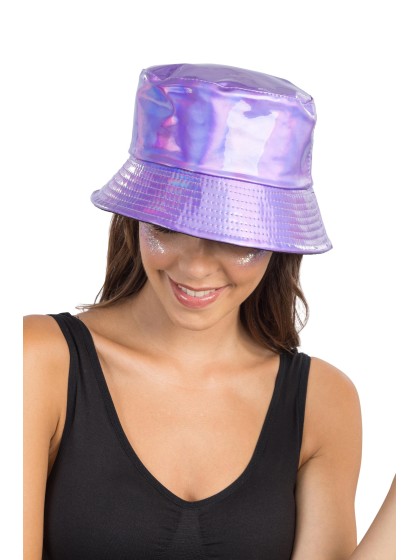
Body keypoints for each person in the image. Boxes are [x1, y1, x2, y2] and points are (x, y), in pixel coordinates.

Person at [23, 63, 394, 559]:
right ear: (135, 217)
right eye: (169, 224)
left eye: (235, 235)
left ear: (278, 241)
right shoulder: (39, 361)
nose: (196, 266)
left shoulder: (322, 401)